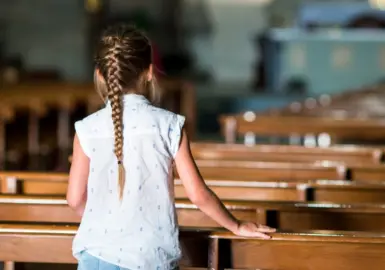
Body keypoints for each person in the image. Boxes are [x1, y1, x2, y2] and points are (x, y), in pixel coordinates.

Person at [67, 24, 275, 270]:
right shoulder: (169, 125)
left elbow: (75, 199)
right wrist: (236, 225)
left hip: (97, 256)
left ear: (100, 75)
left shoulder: (87, 129)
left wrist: (108, 225)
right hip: (150, 259)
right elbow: (198, 194)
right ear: (149, 72)